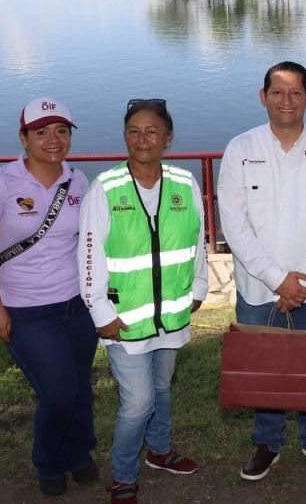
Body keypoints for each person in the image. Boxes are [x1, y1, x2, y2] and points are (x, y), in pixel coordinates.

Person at [217, 61, 306, 482]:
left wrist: (303, 280)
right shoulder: (240, 149)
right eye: (278, 92)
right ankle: (267, 442)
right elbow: (234, 224)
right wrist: (278, 279)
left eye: (296, 92)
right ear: (263, 97)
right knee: (264, 367)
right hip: (259, 289)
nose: (287, 100)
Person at [79, 99, 208, 504]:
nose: (142, 139)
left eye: (151, 131)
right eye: (133, 131)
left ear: (168, 137)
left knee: (162, 390)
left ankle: (159, 450)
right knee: (137, 403)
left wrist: (199, 288)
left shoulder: (185, 184)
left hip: (170, 316)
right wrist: (100, 311)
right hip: (125, 320)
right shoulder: (106, 187)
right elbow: (88, 255)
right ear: (124, 137)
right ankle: (123, 474)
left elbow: (198, 240)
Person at [0, 98, 97, 497]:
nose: (52, 140)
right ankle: (48, 460)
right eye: (41, 132)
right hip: (26, 310)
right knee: (57, 391)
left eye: (61, 131)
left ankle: (79, 455)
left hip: (77, 306)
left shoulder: (78, 181)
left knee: (79, 387)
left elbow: (88, 242)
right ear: (23, 138)